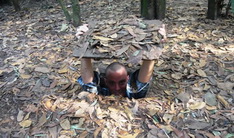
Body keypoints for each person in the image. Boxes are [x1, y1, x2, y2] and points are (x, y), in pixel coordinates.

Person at [77, 59, 155, 99]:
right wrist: (84, 48)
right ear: (106, 81)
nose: (117, 88)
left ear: (128, 79)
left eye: (121, 82)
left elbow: (143, 84)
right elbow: (90, 87)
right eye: (111, 83)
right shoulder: (102, 92)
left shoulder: (133, 94)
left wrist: (154, 46)